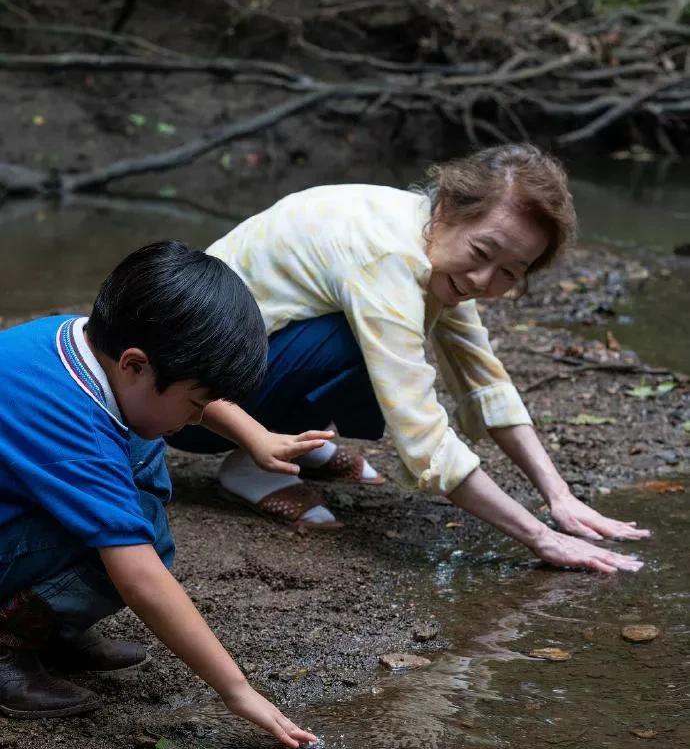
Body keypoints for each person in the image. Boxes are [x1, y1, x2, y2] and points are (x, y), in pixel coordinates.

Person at [170, 145, 649, 574]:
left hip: (237, 367)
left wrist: (559, 495)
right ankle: (254, 463)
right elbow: (421, 434)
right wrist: (541, 538)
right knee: (360, 343)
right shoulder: (389, 259)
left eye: (510, 272)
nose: (484, 280)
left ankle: (296, 435)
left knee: (371, 334)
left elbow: (483, 380)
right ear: (446, 209)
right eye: (482, 252)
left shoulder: (428, 239)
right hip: (188, 406)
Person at [0, 240, 321, 748]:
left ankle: (51, 628)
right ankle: (8, 642)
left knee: (140, 448)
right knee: (142, 534)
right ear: (133, 365)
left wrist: (255, 437)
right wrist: (237, 691)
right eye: (195, 405)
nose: (199, 416)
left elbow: (182, 384)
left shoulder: (77, 341)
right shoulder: (74, 427)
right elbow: (141, 578)